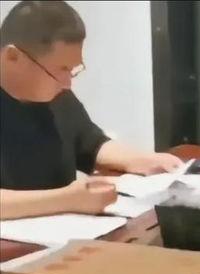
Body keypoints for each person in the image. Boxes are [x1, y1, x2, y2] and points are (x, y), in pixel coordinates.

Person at [0, 1, 182, 220]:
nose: (67, 83)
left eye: (72, 69)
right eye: (61, 70)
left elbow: (91, 144)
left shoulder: (57, 97)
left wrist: (143, 160)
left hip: (63, 231)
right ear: (13, 57)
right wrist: (66, 200)